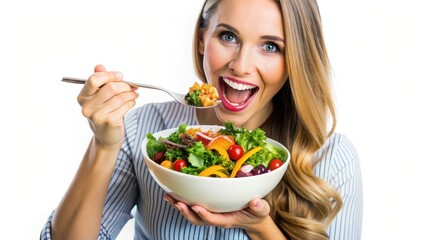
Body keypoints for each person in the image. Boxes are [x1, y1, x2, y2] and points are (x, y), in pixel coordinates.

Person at [41, 0, 363, 239]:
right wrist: (104, 145)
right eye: (228, 37)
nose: (241, 65)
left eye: (270, 46)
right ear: (201, 39)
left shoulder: (332, 159)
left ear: (295, 60)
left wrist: (260, 228)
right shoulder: (145, 130)